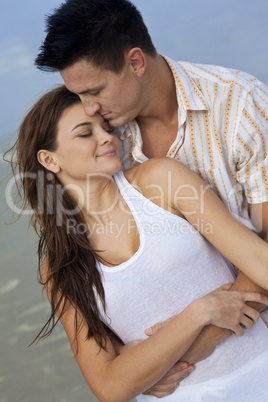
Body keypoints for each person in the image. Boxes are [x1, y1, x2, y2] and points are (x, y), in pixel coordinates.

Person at [34, 0, 268, 394]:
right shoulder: (112, 132)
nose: (92, 112)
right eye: (79, 98)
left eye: (94, 92)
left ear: (136, 62)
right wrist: (152, 358)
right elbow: (111, 380)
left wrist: (190, 348)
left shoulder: (239, 104)